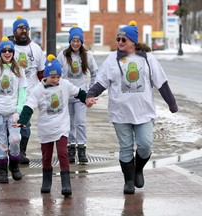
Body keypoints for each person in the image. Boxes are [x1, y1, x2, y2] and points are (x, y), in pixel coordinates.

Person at [85, 21, 178, 194]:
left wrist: (172, 104)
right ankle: (128, 180)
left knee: (145, 144)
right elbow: (101, 81)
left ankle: (138, 169)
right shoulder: (112, 59)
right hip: (120, 113)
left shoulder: (148, 59)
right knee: (126, 147)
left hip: (144, 112)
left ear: (133, 41)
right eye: (118, 39)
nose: (119, 42)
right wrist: (90, 95)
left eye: (123, 39)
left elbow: (161, 82)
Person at [13, 54, 87, 196]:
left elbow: (78, 93)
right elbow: (29, 106)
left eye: (58, 77)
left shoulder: (64, 85)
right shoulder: (38, 89)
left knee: (62, 153)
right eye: (53, 77)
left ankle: (66, 183)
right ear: (45, 76)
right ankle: (46, 181)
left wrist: (87, 99)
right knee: (46, 156)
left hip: (62, 126)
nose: (56, 80)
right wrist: (22, 120)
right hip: (46, 128)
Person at [0, 16, 46, 165]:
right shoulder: (6, 48)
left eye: (26, 28)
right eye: (20, 28)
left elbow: (42, 73)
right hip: (10, 94)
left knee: (25, 124)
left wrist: (44, 92)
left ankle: (21, 152)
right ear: (14, 31)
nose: (24, 31)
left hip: (29, 94)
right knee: (9, 126)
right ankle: (9, 151)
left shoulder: (36, 48)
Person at [0, 39, 27, 183]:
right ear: (0, 53)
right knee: (1, 144)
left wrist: (19, 110)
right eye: (4, 51)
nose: (7, 53)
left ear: (13, 53)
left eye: (10, 51)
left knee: (15, 140)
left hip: (14, 113)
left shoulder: (19, 70)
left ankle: (14, 166)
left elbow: (23, 91)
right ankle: (2, 171)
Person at [57, 25, 98, 164]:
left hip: (81, 95)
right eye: (73, 40)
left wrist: (91, 92)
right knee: (68, 123)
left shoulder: (87, 56)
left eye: (78, 41)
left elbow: (95, 73)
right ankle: (70, 148)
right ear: (70, 41)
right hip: (66, 95)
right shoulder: (62, 55)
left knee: (80, 122)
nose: (75, 43)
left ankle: (81, 148)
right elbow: (57, 74)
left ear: (81, 42)